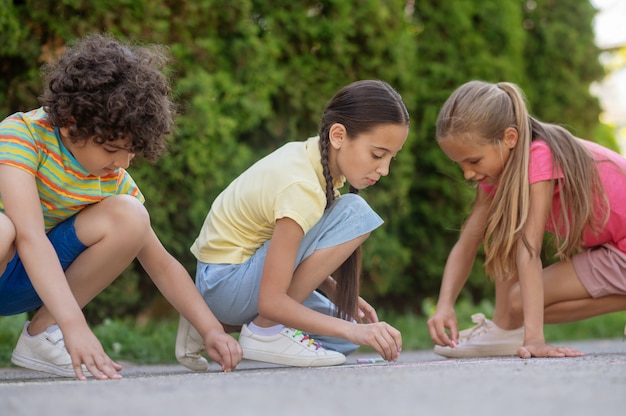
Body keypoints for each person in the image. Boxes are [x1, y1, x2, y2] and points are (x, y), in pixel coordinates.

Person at [0, 33, 242, 380]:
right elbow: (30, 237)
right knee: (4, 229)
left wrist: (211, 329)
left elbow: (161, 264)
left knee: (131, 215)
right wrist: (76, 324)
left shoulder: (110, 177)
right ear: (71, 126)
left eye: (132, 151)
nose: (124, 164)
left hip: (32, 282)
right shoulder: (22, 136)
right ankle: (62, 324)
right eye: (113, 151)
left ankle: (42, 334)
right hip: (12, 254)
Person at [175, 80, 407, 369]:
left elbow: (290, 251)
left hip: (229, 282)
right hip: (227, 283)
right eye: (377, 154)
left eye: (391, 159)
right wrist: (355, 329)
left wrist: (335, 291)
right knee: (355, 213)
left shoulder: (313, 160)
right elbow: (271, 302)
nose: (384, 170)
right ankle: (263, 331)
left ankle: (212, 323)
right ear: (338, 135)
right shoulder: (302, 186)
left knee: (343, 339)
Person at [427, 80, 626, 359]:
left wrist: (535, 340)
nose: (467, 174)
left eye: (473, 161)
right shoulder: (500, 172)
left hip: (623, 248)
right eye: (460, 165)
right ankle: (504, 328)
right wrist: (444, 305)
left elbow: (529, 249)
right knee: (506, 230)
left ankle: (515, 331)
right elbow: (467, 242)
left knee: (519, 302)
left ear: (509, 138)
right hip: (614, 245)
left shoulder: (539, 155)